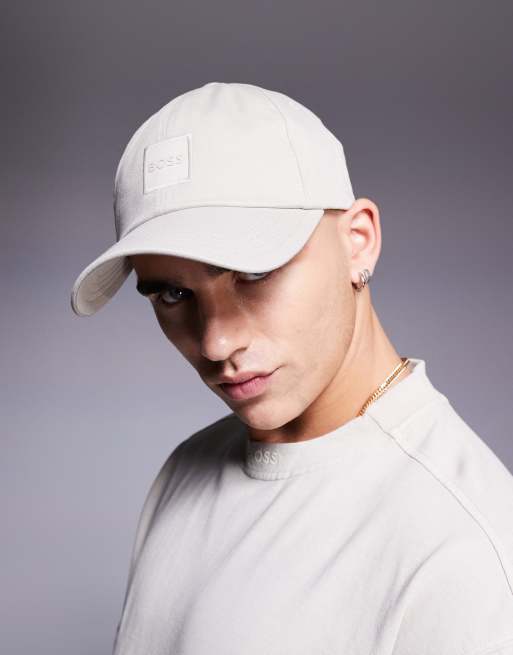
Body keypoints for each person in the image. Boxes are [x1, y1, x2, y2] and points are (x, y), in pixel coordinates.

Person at [70, 82, 513, 655]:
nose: (216, 341)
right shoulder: (185, 471)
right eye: (173, 295)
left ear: (358, 242)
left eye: (253, 273)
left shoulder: (462, 548)